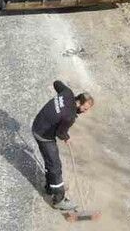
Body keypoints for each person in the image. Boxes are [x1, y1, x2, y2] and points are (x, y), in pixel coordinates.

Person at [31, 80, 93, 211]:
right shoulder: (70, 116)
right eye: (85, 108)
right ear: (79, 103)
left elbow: (56, 83)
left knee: (49, 161)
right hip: (44, 135)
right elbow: (60, 133)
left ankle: (49, 187)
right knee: (55, 166)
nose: (85, 111)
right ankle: (59, 200)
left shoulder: (67, 93)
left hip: (37, 123)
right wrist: (67, 138)